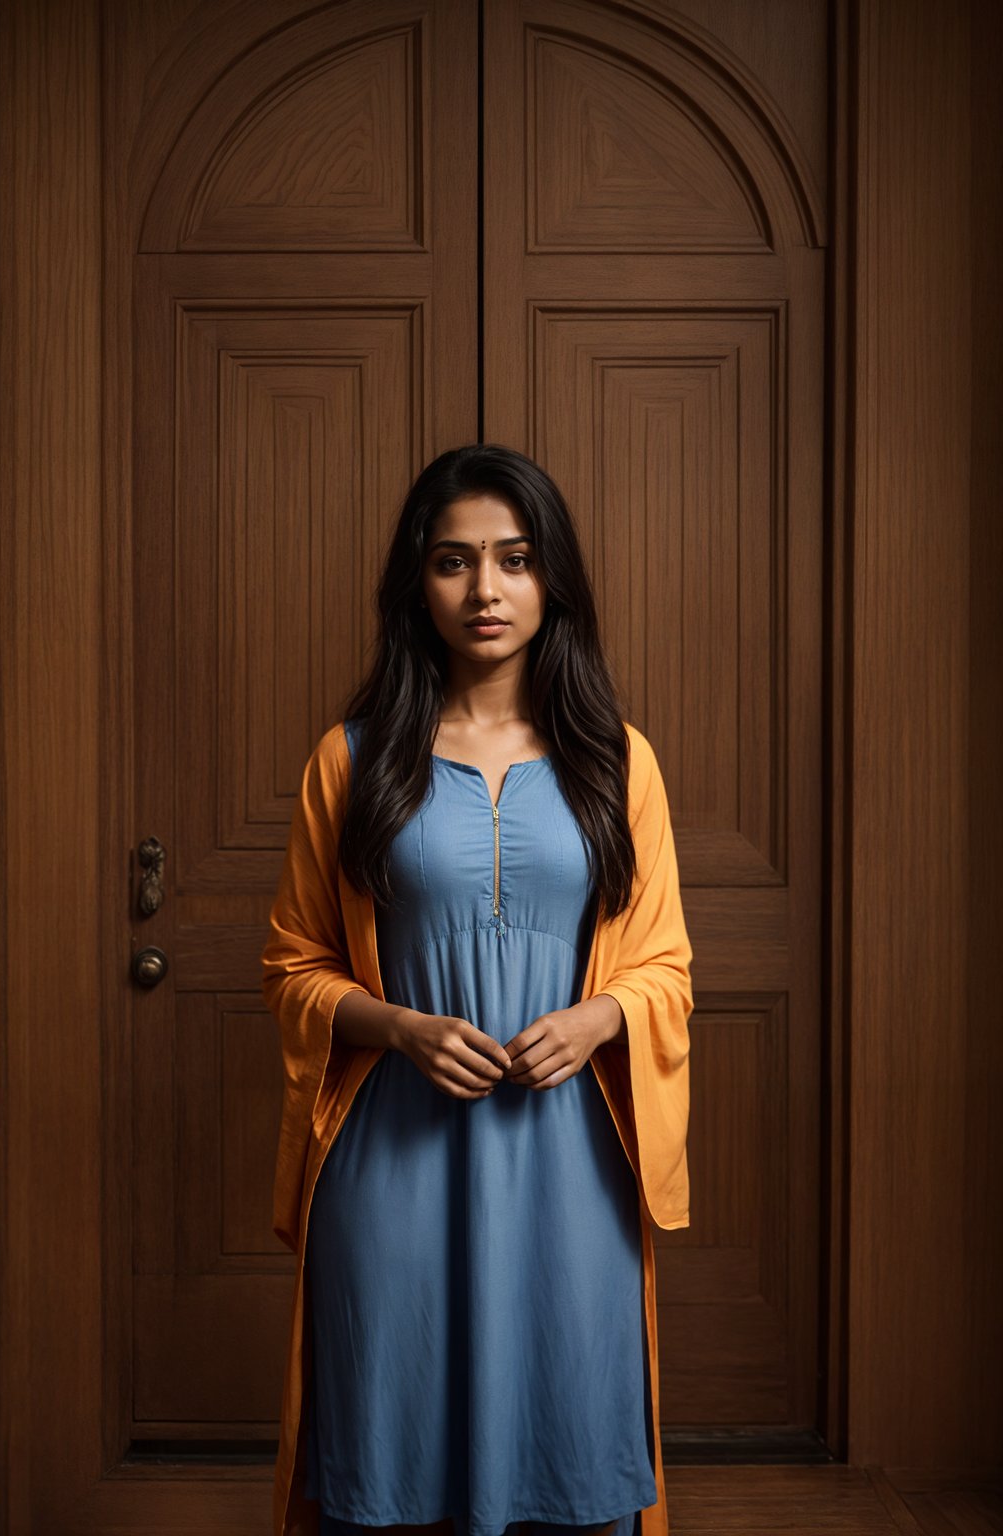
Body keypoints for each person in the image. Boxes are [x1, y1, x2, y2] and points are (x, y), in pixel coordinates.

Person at [262, 443, 694, 1536]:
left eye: (513, 558)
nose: (485, 590)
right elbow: (293, 966)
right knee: (388, 1463)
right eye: (454, 562)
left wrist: (603, 1014)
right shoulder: (351, 761)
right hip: (393, 1167)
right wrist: (398, 1026)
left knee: (569, 1454)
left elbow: (665, 965)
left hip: (572, 1168)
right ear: (419, 580)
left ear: (552, 579)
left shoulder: (616, 761)